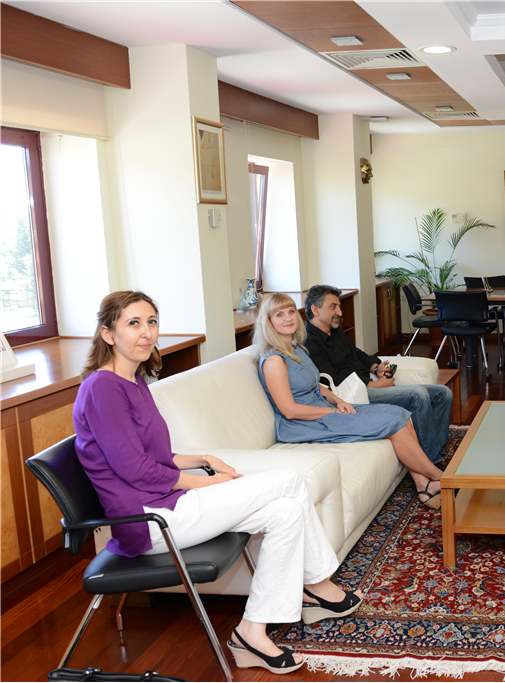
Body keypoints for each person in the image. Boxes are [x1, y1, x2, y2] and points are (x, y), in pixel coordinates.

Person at [72, 291, 363, 676]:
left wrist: (204, 459)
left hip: (167, 504)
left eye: (152, 322)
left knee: (286, 511)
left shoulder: (135, 380)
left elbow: (155, 454)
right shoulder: (102, 388)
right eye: (134, 323)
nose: (146, 333)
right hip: (148, 520)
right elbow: (134, 469)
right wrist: (207, 484)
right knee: (290, 482)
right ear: (108, 334)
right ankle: (319, 585)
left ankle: (252, 631)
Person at [253, 292, 446, 509]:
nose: (288, 318)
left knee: (400, 414)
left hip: (324, 410)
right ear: (268, 322)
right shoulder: (274, 360)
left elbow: (315, 385)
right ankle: (440, 477)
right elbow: (290, 410)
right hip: (303, 424)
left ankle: (424, 485)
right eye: (279, 315)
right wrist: (331, 412)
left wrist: (337, 400)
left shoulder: (296, 349)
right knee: (394, 423)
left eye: (290, 312)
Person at [303, 284, 453, 465]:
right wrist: (374, 385)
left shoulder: (334, 330)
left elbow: (357, 354)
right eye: (333, 307)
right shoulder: (309, 342)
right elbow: (334, 378)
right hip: (354, 394)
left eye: (339, 306)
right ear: (315, 310)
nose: (340, 313)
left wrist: (376, 367)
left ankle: (436, 450)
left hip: (366, 384)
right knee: (418, 395)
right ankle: (430, 462)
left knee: (443, 393)